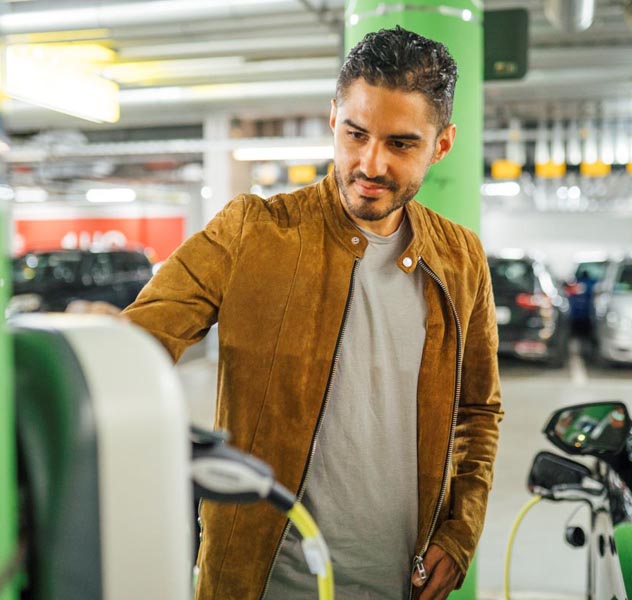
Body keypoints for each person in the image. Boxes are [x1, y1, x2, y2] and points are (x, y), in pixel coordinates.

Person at [122, 26, 502, 600]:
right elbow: (138, 341)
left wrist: (461, 530)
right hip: (261, 584)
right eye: (356, 134)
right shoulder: (253, 231)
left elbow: (479, 410)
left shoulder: (461, 258)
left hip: (402, 581)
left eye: (400, 144)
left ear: (441, 145)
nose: (370, 163)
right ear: (333, 118)